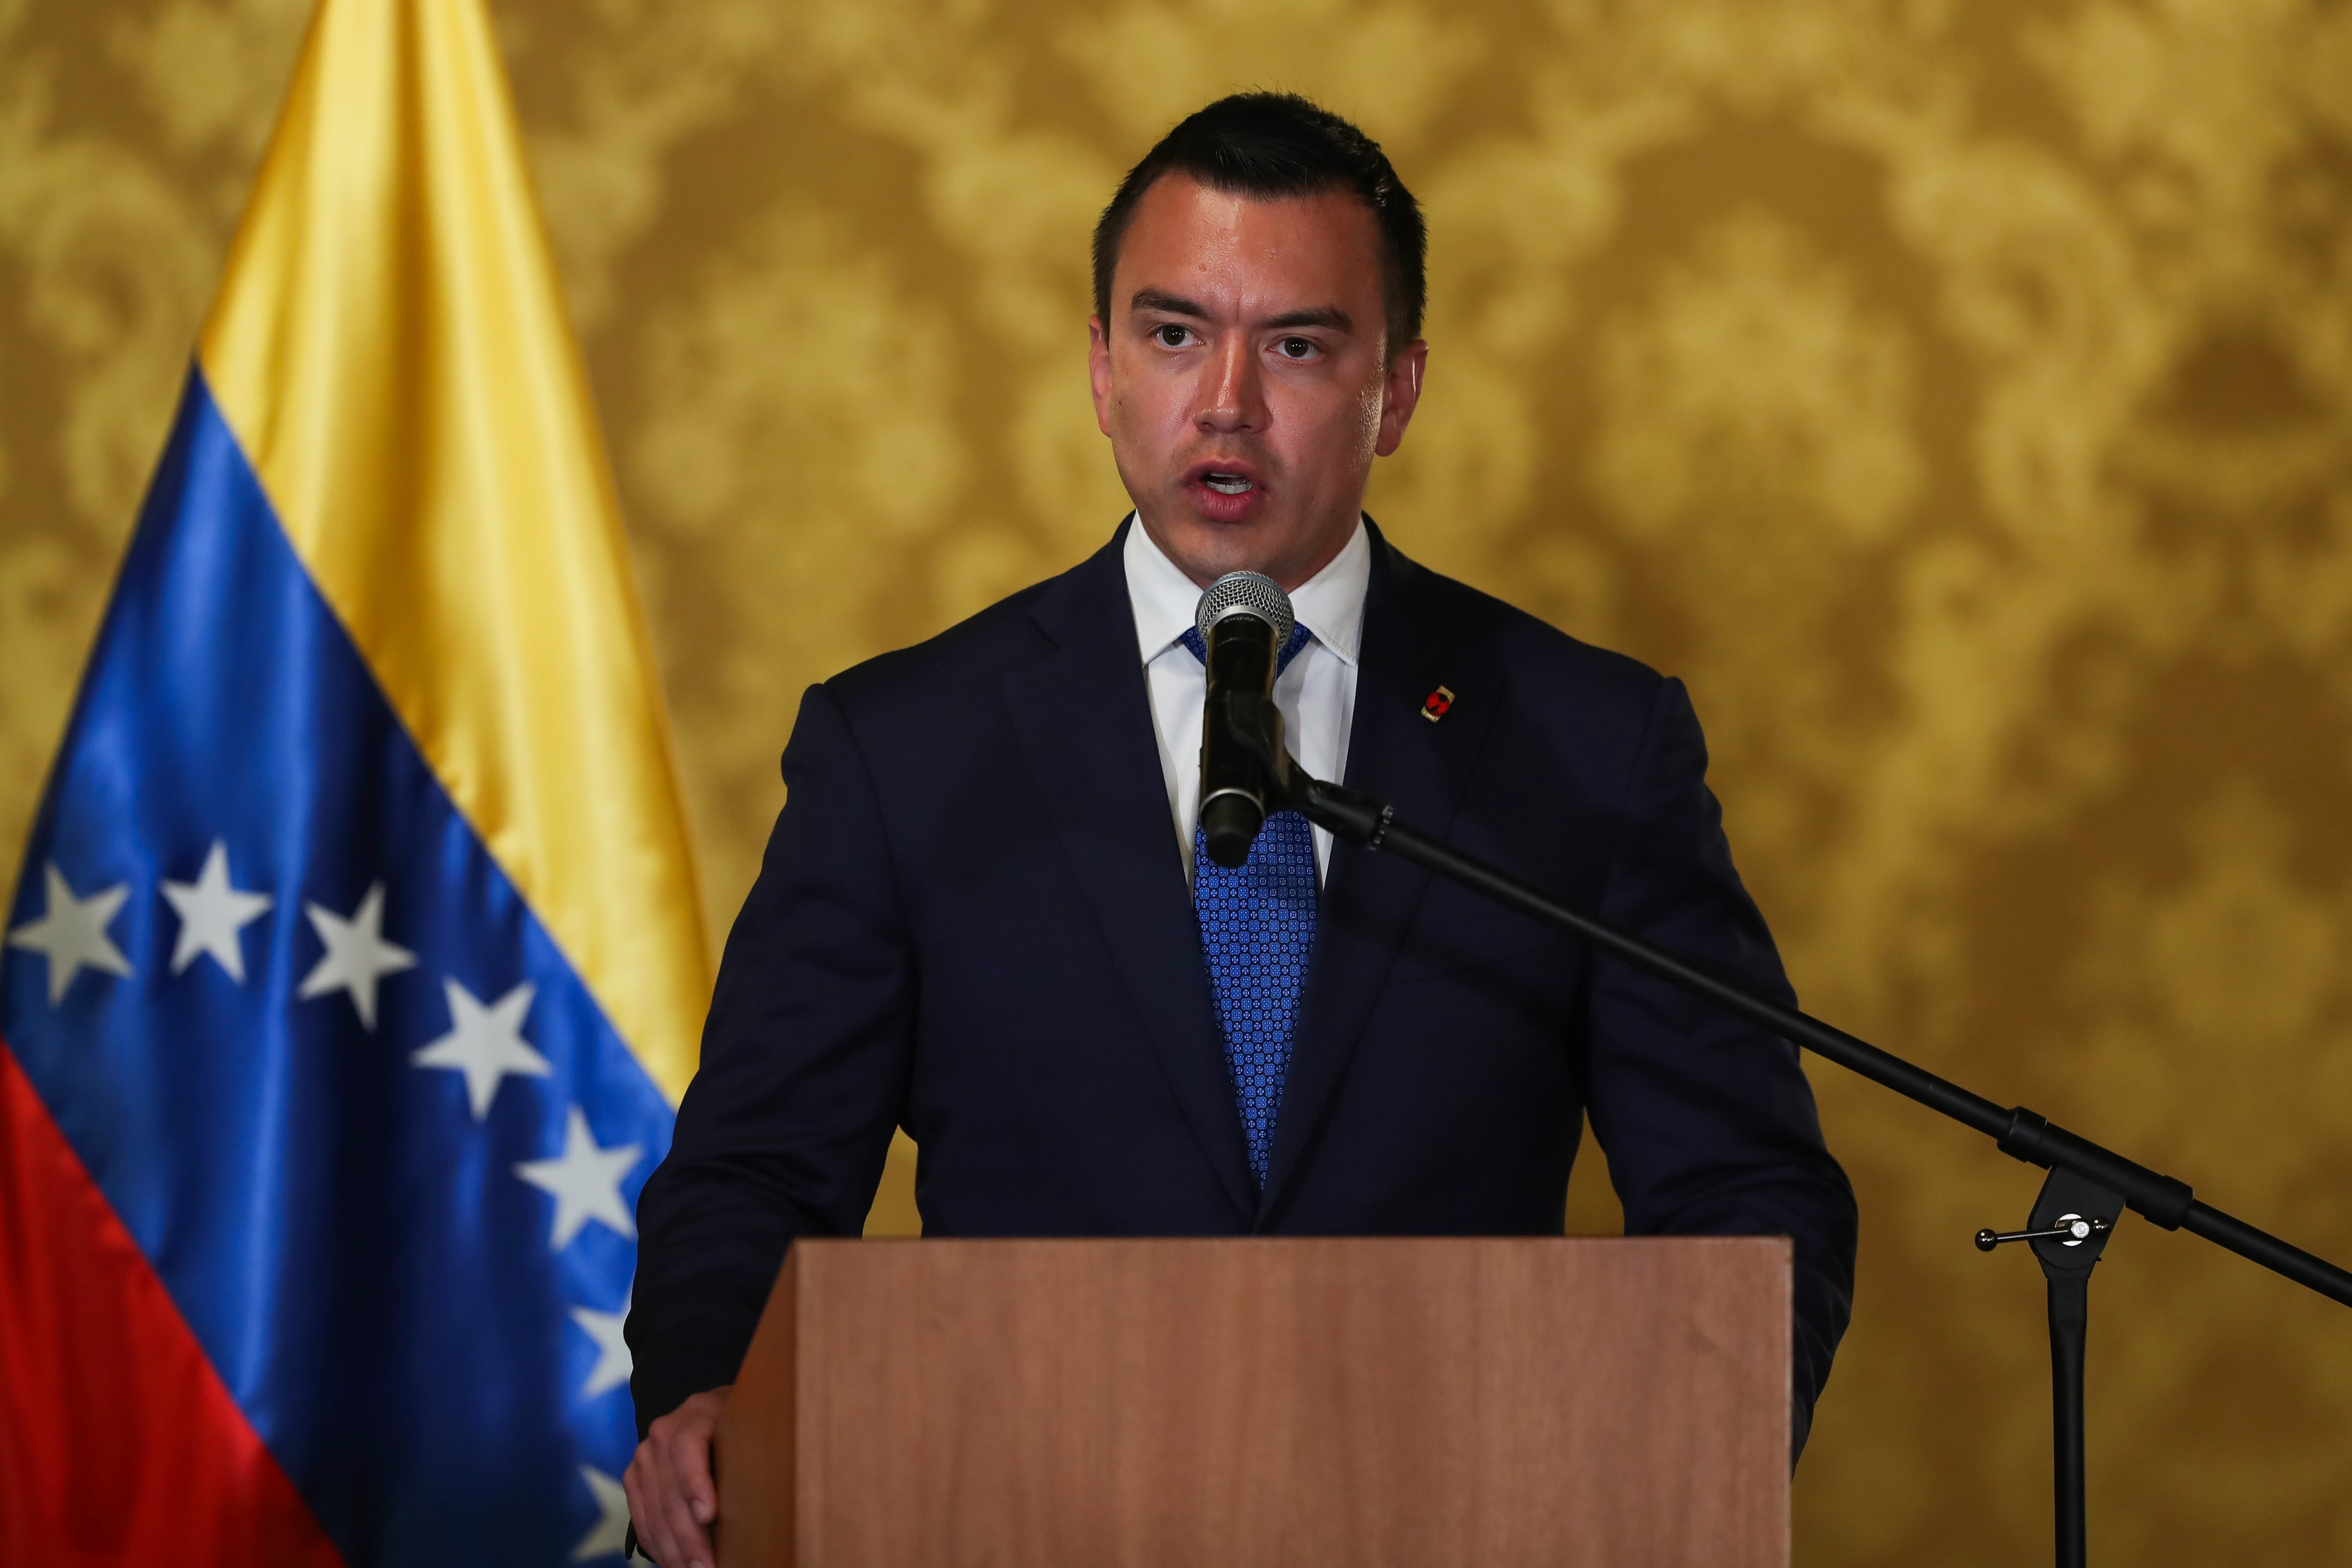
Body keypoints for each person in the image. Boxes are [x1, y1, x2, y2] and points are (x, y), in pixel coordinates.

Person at [622, 92, 1857, 1568]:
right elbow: (755, 1171)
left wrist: (1669, 1452)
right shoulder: (904, 749)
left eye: (1297, 345)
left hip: (1466, 1524)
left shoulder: (1586, 742)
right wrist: (709, 1391)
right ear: (1098, 371)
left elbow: (1743, 1186)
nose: (1225, 402)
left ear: (1395, 392)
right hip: (1013, 1515)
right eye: (1171, 333)